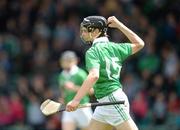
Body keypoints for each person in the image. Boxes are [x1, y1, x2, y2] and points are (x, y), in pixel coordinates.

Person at [66, 15, 144, 130]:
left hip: (112, 100)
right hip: (104, 103)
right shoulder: (115, 47)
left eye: (86, 30)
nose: (82, 34)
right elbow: (139, 44)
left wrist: (76, 100)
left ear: (97, 31)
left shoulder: (92, 51)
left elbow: (94, 75)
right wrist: (119, 25)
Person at [58, 50, 93, 130]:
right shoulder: (62, 75)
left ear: (74, 61)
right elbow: (62, 91)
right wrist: (62, 99)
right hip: (68, 108)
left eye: (68, 60)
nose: (65, 63)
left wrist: (73, 88)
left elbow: (91, 91)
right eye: (64, 61)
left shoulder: (81, 74)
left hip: (82, 107)